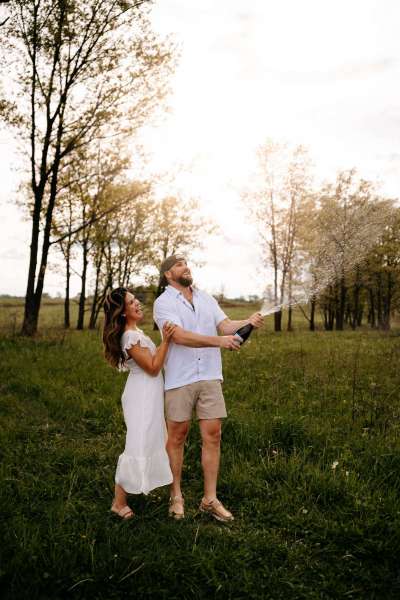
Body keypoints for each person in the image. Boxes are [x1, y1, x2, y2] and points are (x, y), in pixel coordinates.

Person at [153, 255, 264, 522]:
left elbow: (225, 325)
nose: (185, 266)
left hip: (210, 376)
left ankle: (209, 499)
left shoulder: (206, 298)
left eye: (186, 263)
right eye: (178, 265)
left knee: (213, 435)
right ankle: (176, 495)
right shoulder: (163, 303)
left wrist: (247, 322)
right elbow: (178, 336)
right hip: (180, 378)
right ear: (168, 275)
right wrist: (220, 341)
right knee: (177, 436)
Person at [103, 287, 176, 520]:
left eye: (136, 300)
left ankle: (142, 485)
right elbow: (153, 368)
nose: (137, 304)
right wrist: (166, 340)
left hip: (149, 394)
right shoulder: (129, 336)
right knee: (137, 444)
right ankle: (118, 502)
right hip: (141, 396)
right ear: (122, 312)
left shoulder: (135, 332)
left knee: (151, 442)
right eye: (132, 302)